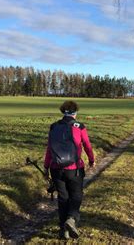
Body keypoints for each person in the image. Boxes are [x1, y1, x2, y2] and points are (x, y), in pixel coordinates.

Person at [44, 100, 95, 239]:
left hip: (56, 169)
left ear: (63, 112)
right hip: (74, 169)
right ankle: (71, 219)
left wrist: (46, 167)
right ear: (75, 112)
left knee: (63, 198)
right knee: (76, 195)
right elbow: (87, 146)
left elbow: (49, 149)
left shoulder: (54, 127)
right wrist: (91, 160)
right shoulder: (80, 127)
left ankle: (63, 230)